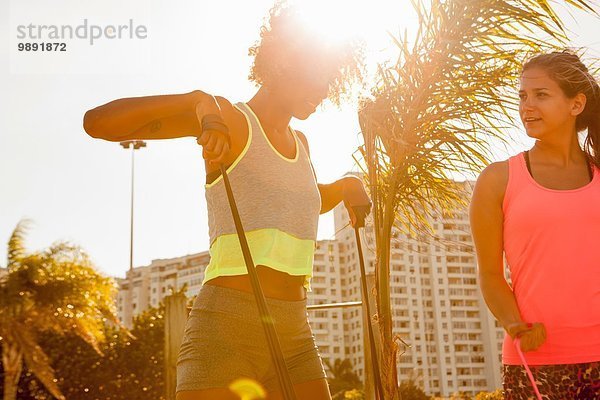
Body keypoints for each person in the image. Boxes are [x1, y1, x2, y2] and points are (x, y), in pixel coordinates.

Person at [83, 2, 370, 399]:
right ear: (284, 61)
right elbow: (97, 123)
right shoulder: (231, 121)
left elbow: (297, 202)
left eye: (329, 81)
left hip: (294, 331)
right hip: (226, 327)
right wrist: (196, 102)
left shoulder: (301, 145)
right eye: (317, 76)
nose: (323, 90)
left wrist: (345, 185)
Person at [470, 49, 600, 399]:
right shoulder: (498, 179)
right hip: (535, 361)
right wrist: (514, 324)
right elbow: (490, 274)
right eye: (522, 96)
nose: (527, 106)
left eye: (541, 95)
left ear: (576, 104)